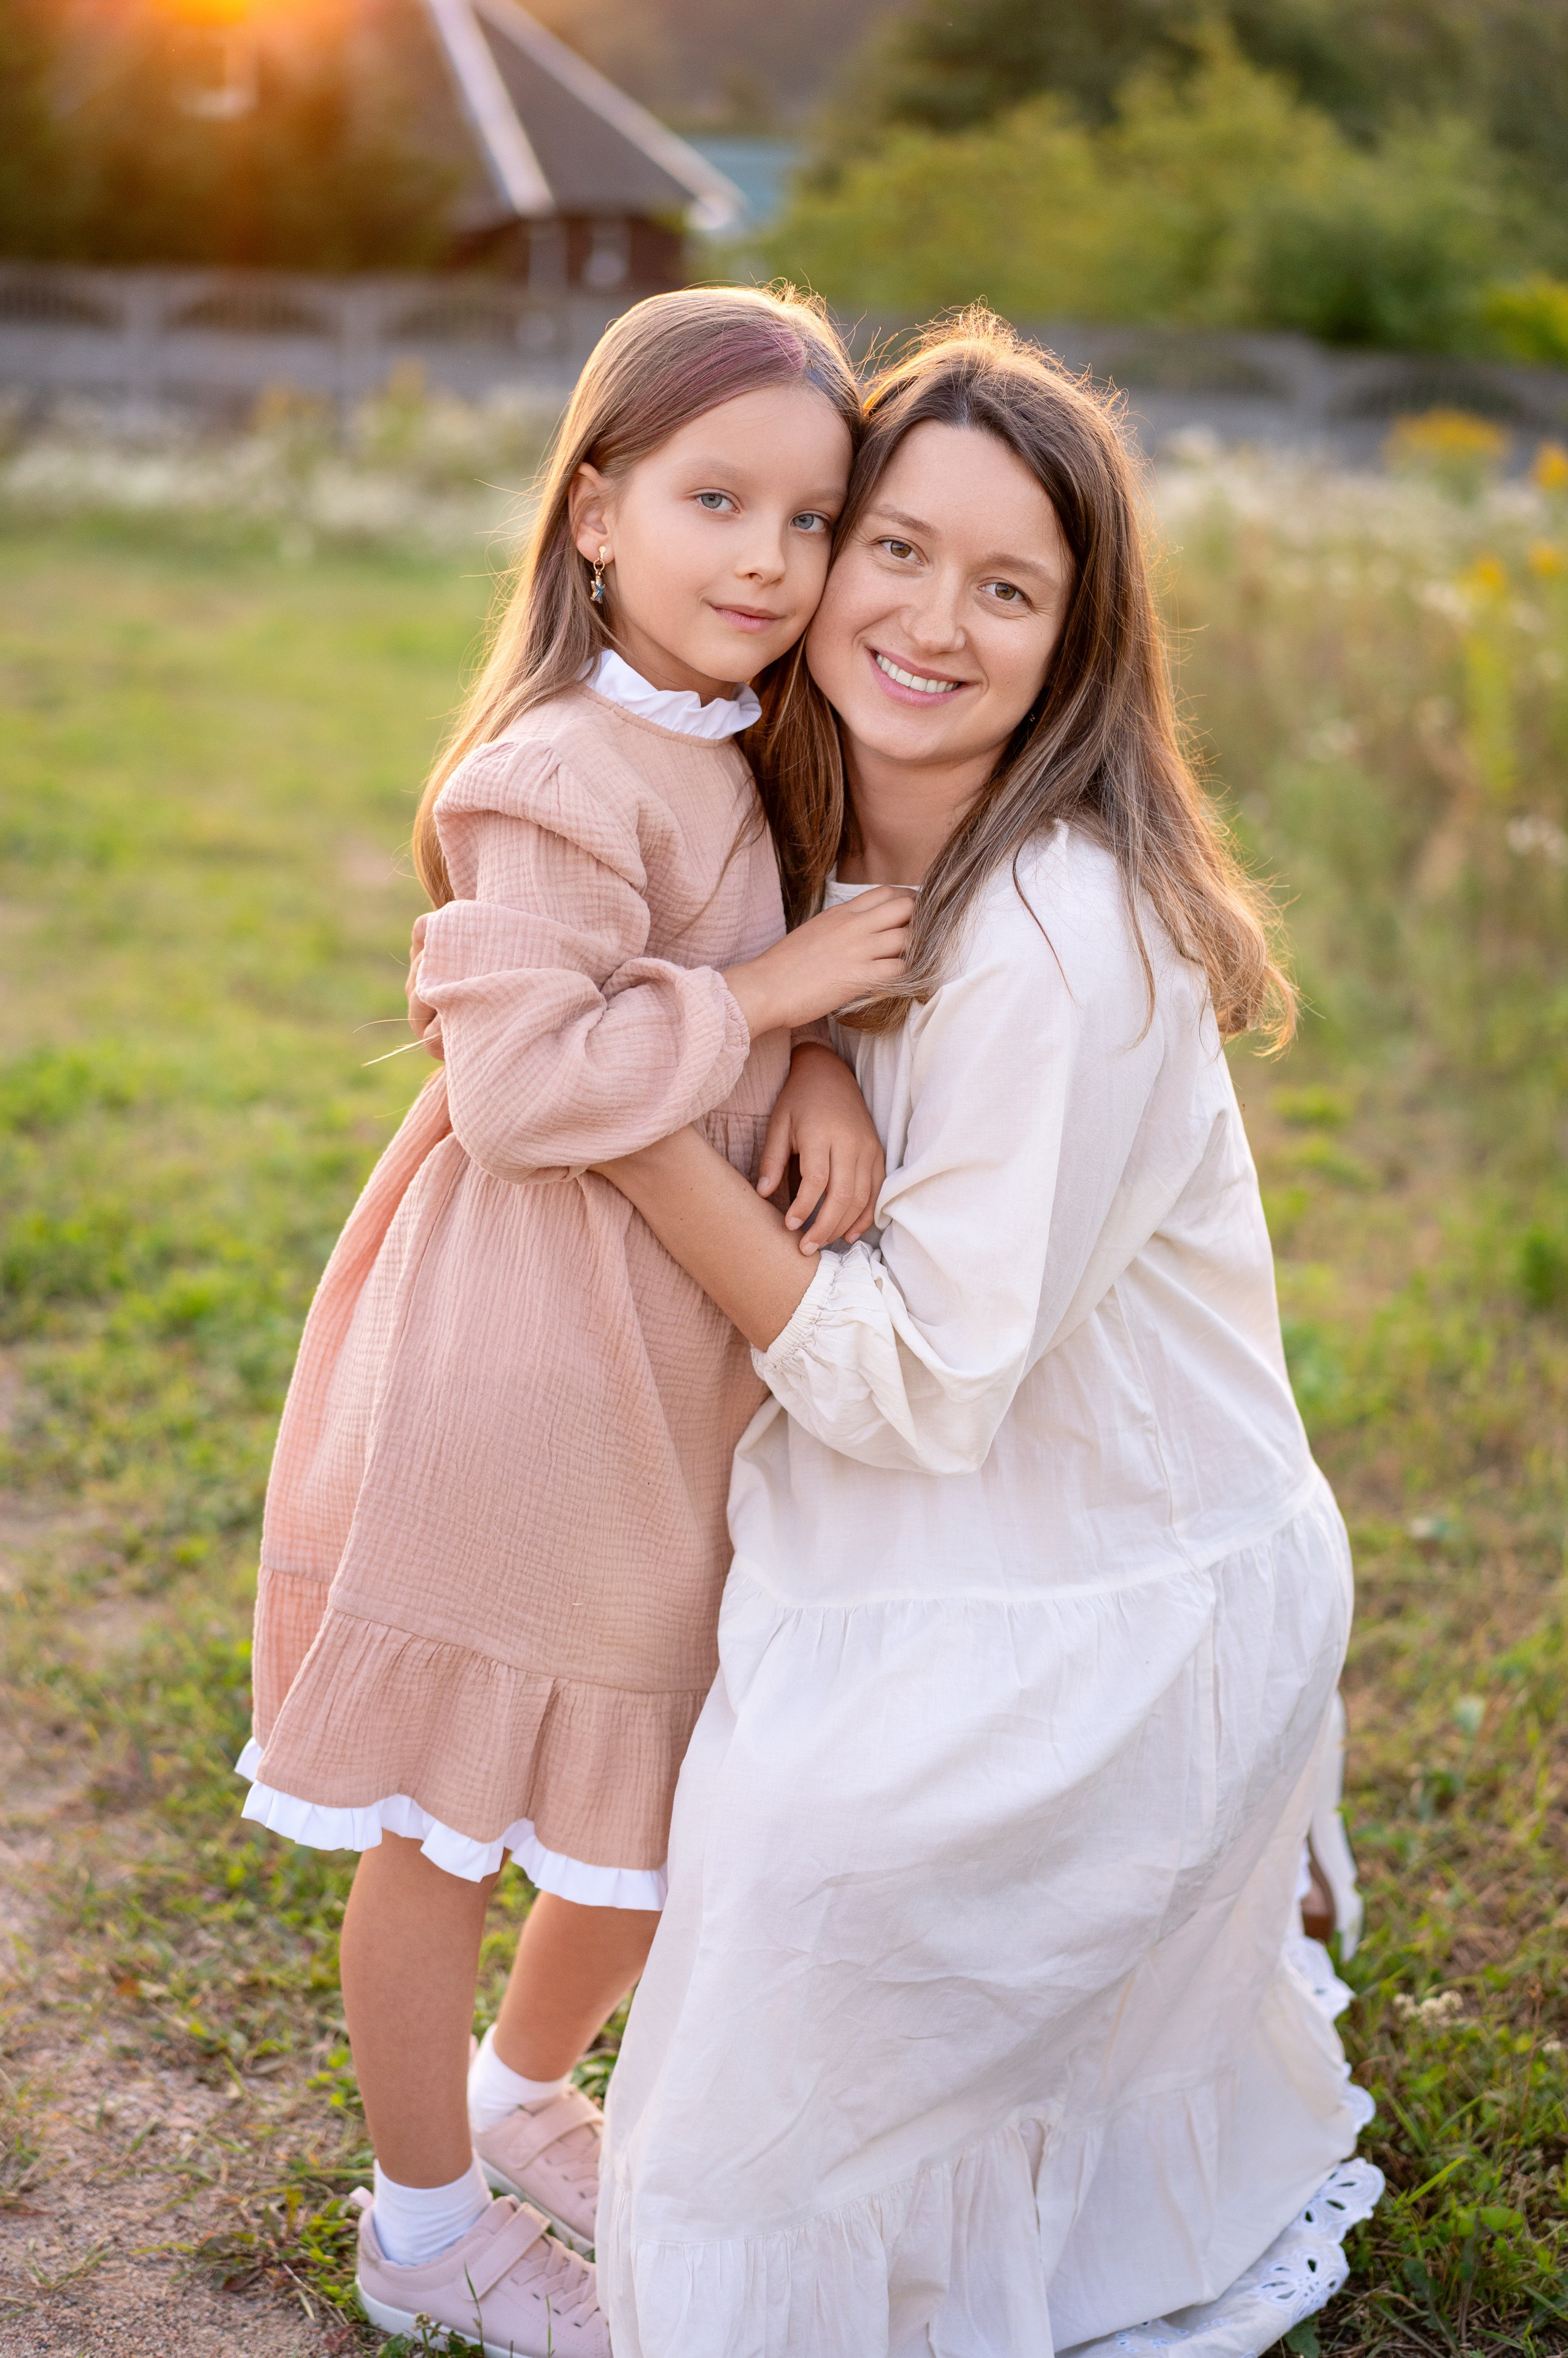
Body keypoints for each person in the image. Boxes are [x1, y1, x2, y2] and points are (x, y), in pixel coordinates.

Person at [592, 314, 1382, 2358]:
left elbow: (927, 1395)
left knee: (759, 2060)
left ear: (1074, 644)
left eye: (1009, 587)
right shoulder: (798, 814)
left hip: (1090, 1582)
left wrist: (632, 1121)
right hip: (910, 1525)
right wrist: (812, 1036)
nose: (933, 621)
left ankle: (1197, 1884)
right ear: (824, 555)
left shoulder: (1066, 935)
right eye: (898, 550)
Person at [235, 284, 910, 2358]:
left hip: (672, 1373)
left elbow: (743, 968)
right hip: (519, 1372)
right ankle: (421, 2223)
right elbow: (529, 1091)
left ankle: (528, 2097)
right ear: (598, 511)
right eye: (719, 501)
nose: (770, 563)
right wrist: (785, 1007)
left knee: (654, 1799)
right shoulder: (551, 771)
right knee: (453, 1821)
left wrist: (803, 1062)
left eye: (810, 523)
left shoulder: (748, 756)